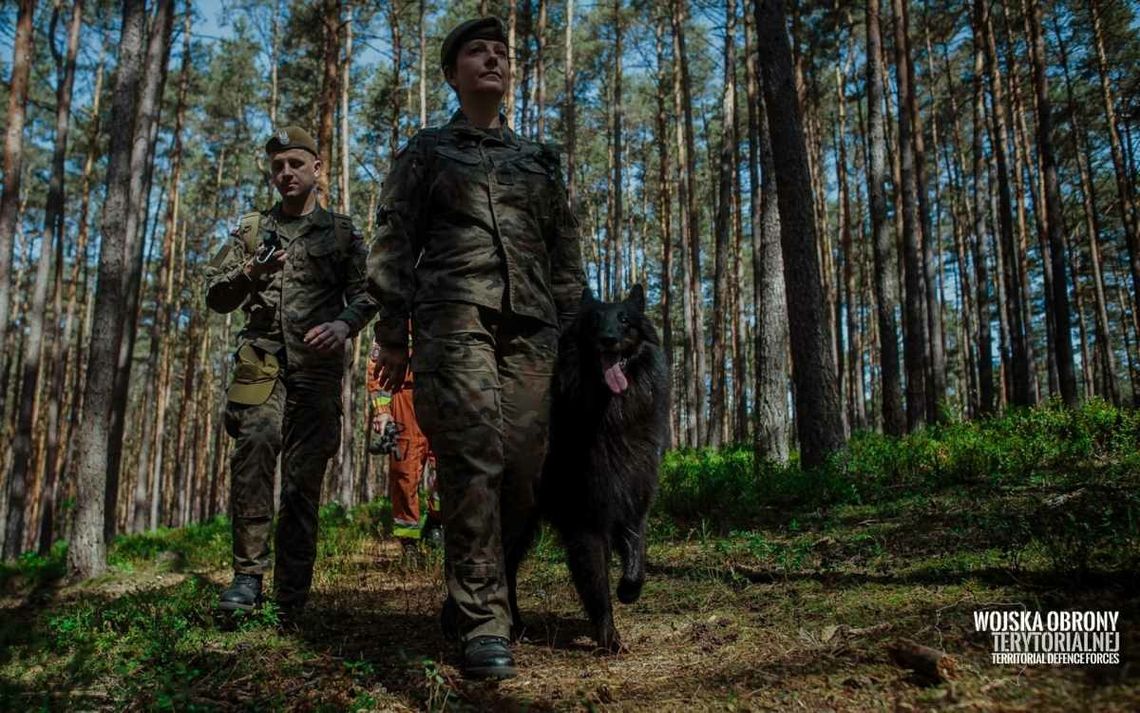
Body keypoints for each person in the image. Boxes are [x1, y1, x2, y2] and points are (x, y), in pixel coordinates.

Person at [366, 17, 585, 679]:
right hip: (452, 319)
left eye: (501, 52)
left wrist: (575, 331)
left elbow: (564, 249)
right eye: (476, 51)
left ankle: (477, 596)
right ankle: (484, 616)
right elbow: (394, 241)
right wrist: (390, 333)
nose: (493, 58)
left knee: (525, 462)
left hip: (532, 327)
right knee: (471, 456)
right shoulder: (426, 151)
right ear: (452, 72)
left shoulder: (538, 160)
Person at [205, 126, 377, 617]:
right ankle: (246, 579)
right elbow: (216, 297)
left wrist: (345, 325)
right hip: (259, 358)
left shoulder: (341, 232)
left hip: (317, 367)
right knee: (254, 449)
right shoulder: (251, 231)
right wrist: (249, 275)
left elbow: (368, 293)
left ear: (317, 169)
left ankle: (291, 593)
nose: (286, 173)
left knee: (303, 478)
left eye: (296, 164)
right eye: (278, 166)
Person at [365, 338, 441, 552]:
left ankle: (437, 521)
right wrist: (382, 411)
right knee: (404, 472)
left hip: (445, 395)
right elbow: (377, 363)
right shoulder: (396, 316)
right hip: (404, 395)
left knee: (450, 467)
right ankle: (409, 543)